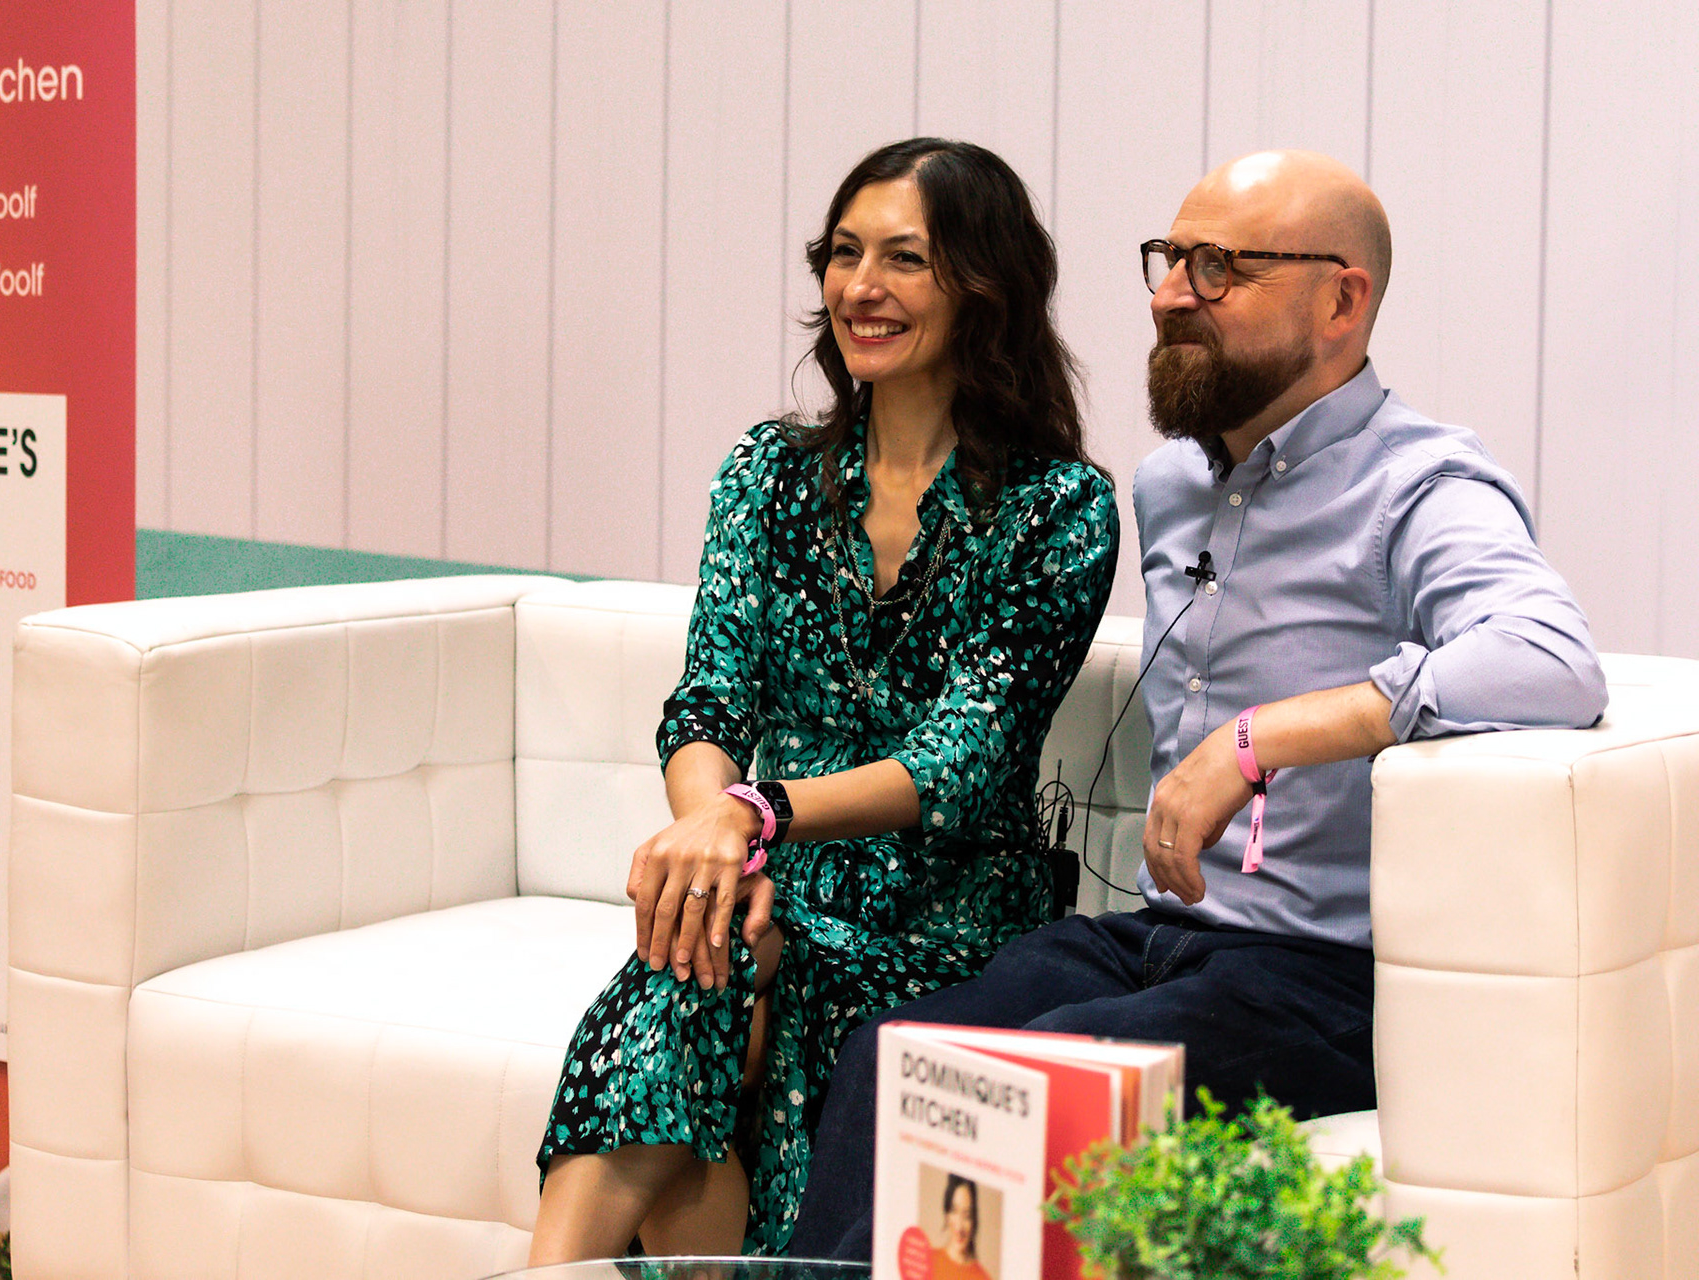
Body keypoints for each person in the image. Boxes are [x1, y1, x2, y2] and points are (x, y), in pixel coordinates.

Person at [789, 149, 1608, 1260]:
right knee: (892, 1048)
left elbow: (1550, 656)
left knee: (1034, 1078)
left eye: (1219, 267)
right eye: (1170, 259)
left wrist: (1265, 736)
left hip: (1324, 975)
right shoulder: (1173, 484)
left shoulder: (1418, 484)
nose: (1172, 293)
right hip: (1165, 938)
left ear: (1340, 299)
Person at [529, 138, 1119, 1261]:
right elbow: (705, 704)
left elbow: (963, 758)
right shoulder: (767, 472)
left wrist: (755, 816)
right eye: (844, 253)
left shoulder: (1061, 509)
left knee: (733, 1003)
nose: (861, 286)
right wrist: (724, 847)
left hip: (948, 921)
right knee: (690, 972)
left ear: (984, 288)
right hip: (768, 887)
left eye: (905, 258)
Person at [929, 1174, 991, 1280]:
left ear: (974, 1220)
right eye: (954, 1211)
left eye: (967, 1216)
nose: (959, 1226)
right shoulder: (928, 1261)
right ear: (947, 1214)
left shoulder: (982, 1277)